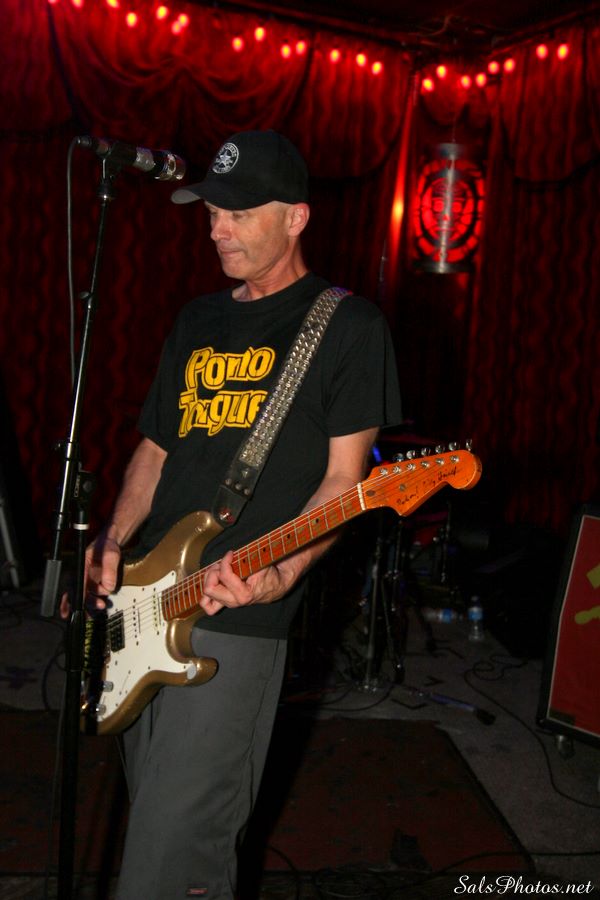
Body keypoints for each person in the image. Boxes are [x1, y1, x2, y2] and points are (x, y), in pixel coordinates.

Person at [74, 130, 402, 899]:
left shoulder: (348, 327)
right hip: (146, 598)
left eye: (239, 213)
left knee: (173, 857)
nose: (218, 228)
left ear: (296, 218)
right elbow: (155, 449)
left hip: (235, 614)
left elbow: (345, 480)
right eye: (212, 211)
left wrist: (283, 569)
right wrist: (114, 539)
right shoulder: (196, 320)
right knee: (150, 816)